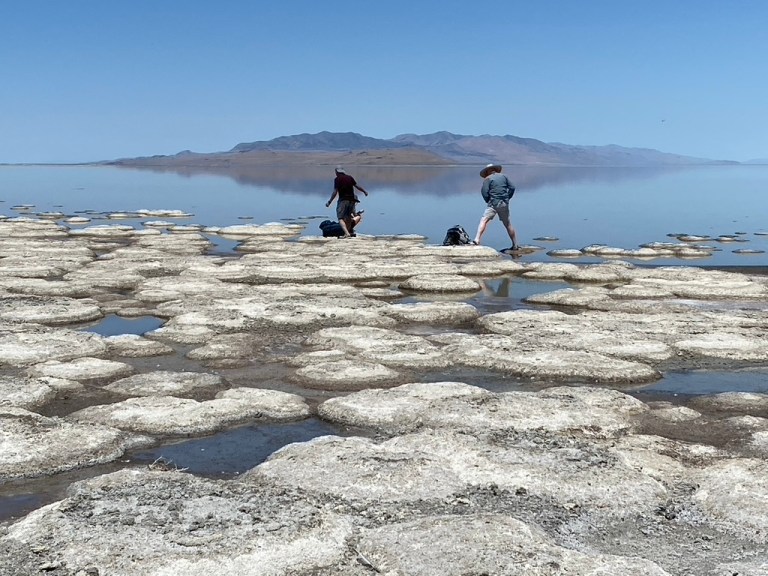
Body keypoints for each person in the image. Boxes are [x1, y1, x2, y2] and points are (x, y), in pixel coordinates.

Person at [473, 163, 518, 250]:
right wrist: (508, 197)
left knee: (484, 220)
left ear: (488, 171)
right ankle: (515, 244)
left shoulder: (487, 179)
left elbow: (484, 192)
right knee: (508, 224)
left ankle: (477, 239)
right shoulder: (504, 176)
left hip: (493, 204)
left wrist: (487, 200)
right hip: (504, 203)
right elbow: (512, 187)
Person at [325, 166, 368, 238]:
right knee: (348, 217)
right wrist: (364, 191)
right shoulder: (350, 177)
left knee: (340, 218)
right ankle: (348, 233)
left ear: (337, 172)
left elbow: (335, 192)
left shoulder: (337, 179)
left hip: (343, 200)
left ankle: (346, 233)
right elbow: (357, 186)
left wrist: (329, 201)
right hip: (351, 200)